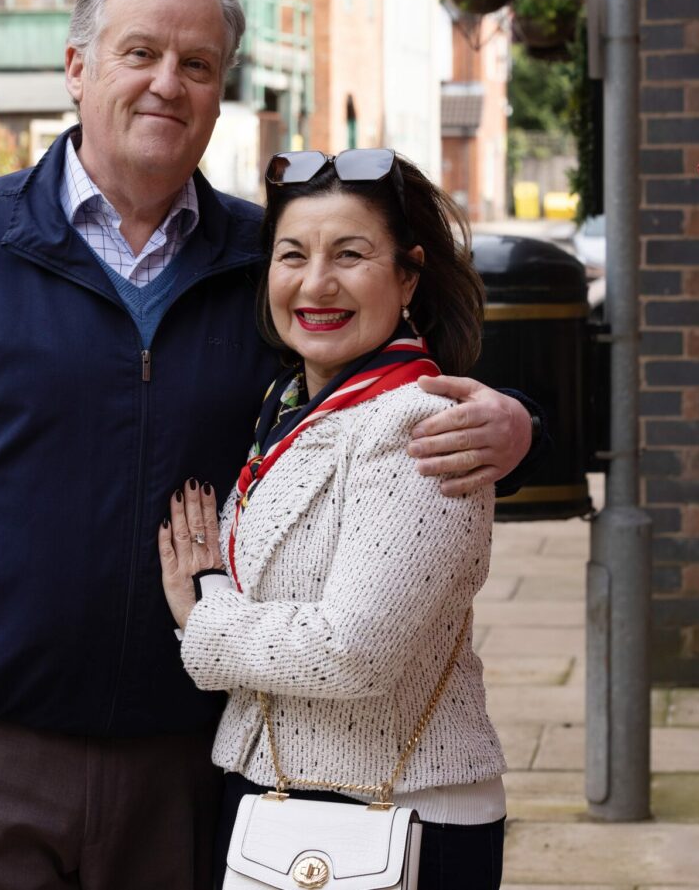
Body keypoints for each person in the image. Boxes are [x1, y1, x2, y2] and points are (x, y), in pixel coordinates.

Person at [0, 0, 539, 890]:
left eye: (197, 64)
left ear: (221, 88)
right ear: (77, 67)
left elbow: (398, 396)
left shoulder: (272, 264)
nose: (167, 83)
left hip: (196, 763)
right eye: (140, 53)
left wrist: (518, 429)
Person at [159, 149, 507, 888]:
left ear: (408, 274)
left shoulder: (413, 422)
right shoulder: (292, 406)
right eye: (293, 255)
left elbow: (353, 651)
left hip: (397, 813)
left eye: (350, 255)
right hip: (289, 799)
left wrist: (204, 616)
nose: (316, 283)